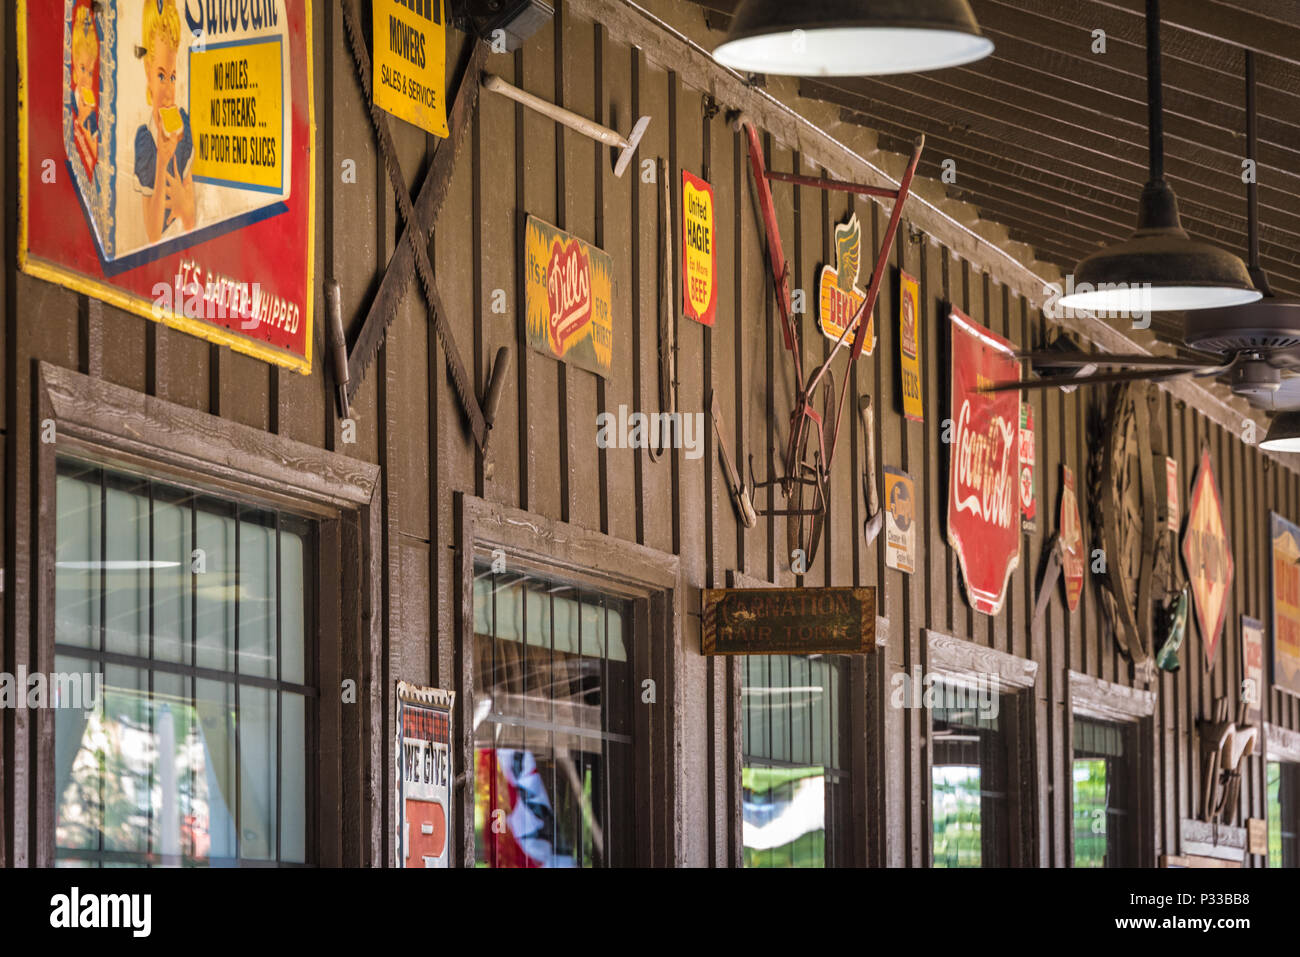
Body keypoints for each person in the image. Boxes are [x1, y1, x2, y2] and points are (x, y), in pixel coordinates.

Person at [133, 0, 196, 243]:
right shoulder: (145, 140)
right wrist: (161, 163)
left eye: (172, 76)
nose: (169, 91)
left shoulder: (184, 129)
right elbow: (153, 233)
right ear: (148, 72)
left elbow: (191, 220)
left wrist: (182, 203)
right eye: (161, 75)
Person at [69, 3, 99, 171]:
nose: (87, 80)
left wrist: (88, 139)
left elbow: (96, 158)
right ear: (73, 64)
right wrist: (80, 119)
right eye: (82, 68)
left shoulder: (93, 115)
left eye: (90, 72)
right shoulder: (69, 101)